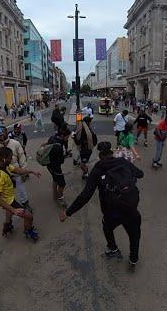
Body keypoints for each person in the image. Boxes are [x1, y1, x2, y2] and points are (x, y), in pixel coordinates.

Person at [60, 141, 144, 272]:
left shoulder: (98, 169)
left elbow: (85, 195)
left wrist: (68, 212)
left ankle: (113, 248)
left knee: (107, 227)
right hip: (131, 209)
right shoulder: (123, 162)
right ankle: (133, 260)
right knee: (135, 235)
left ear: (99, 155)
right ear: (112, 152)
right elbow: (140, 174)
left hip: (112, 212)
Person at [0, 146, 41, 240]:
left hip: (9, 197)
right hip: (7, 201)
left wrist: (31, 171)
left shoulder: (5, 165)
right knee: (29, 216)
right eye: (10, 157)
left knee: (8, 212)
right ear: (4, 158)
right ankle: (28, 231)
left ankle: (7, 226)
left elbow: (17, 170)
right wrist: (14, 210)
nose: (12, 159)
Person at [42, 125, 72, 206]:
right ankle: (60, 198)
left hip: (49, 165)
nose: (67, 138)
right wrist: (66, 155)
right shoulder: (58, 147)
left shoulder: (52, 137)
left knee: (55, 180)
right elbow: (61, 161)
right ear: (62, 136)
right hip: (55, 167)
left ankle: (54, 195)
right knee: (62, 184)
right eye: (67, 137)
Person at [73, 115, 97, 179]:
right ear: (89, 122)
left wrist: (74, 137)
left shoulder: (83, 131)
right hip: (87, 149)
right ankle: (85, 171)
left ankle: (86, 173)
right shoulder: (89, 130)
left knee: (82, 165)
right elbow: (95, 142)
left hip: (85, 150)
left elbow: (78, 142)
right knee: (83, 161)